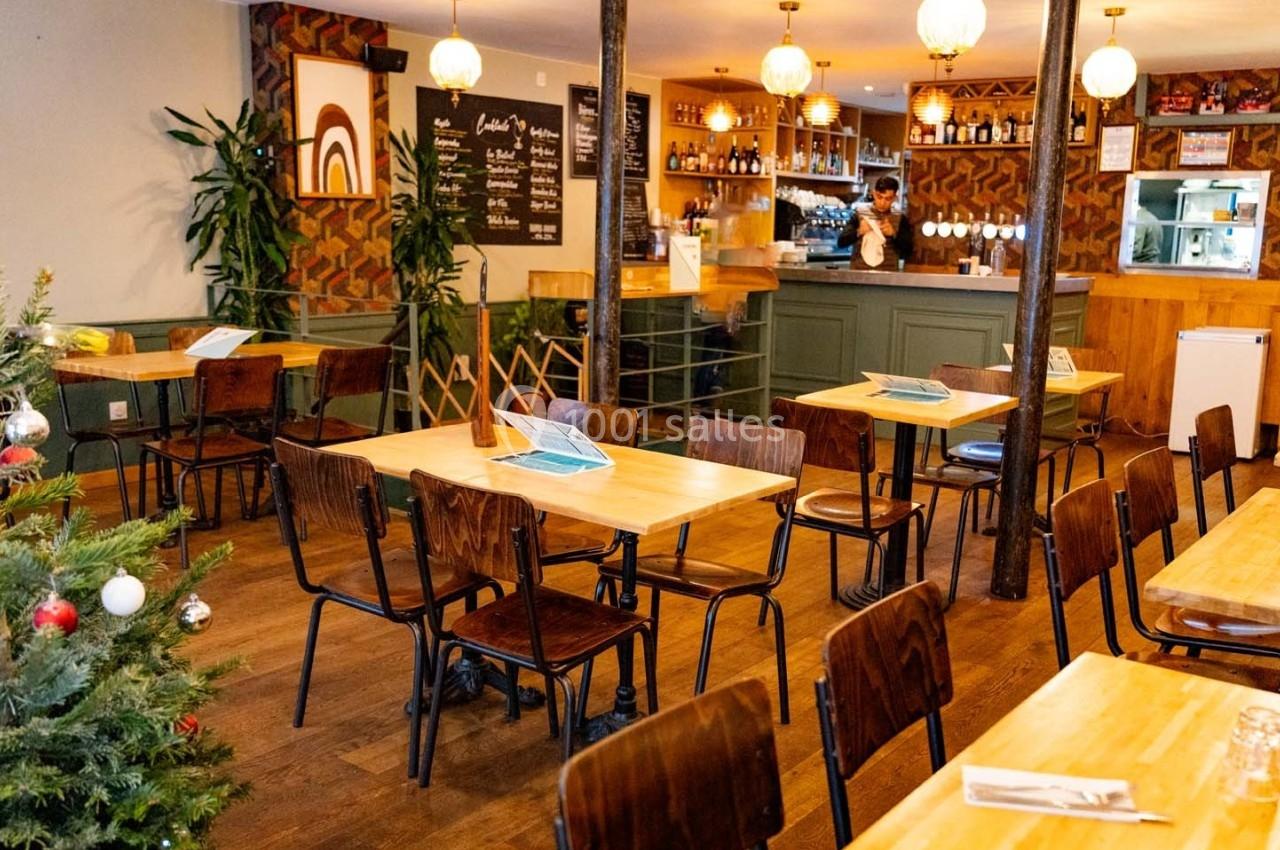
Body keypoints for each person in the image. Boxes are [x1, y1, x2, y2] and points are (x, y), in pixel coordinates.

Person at [837, 176, 914, 270]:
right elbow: (841, 242)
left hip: (888, 275)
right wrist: (859, 231)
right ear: (874, 193)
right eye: (879, 197)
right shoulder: (860, 213)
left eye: (888, 199)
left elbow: (908, 250)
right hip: (859, 273)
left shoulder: (900, 218)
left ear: (894, 198)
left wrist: (893, 234)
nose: (882, 202)